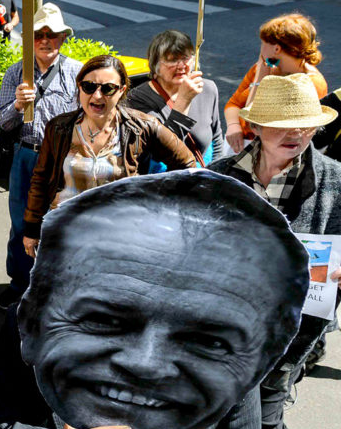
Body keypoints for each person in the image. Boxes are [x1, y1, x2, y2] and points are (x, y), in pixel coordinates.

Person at [0, 170, 303, 429]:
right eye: (104, 320)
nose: (145, 363)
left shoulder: (234, 367)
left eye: (202, 340)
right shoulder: (30, 325)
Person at [211, 73, 341, 429]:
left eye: (306, 124)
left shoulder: (336, 183)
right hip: (225, 330)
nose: (298, 133)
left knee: (266, 422)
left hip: (290, 333)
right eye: (284, 124)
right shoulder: (220, 178)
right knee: (218, 415)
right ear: (256, 126)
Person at [23, 55, 197, 260]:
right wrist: (32, 228)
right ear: (79, 86)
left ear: (122, 90)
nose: (97, 96)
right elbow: (41, 180)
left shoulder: (141, 126)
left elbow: (187, 165)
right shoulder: (59, 128)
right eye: (89, 86)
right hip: (66, 233)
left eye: (108, 89)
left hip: (118, 240)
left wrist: (154, 202)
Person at [0, 3, 83, 307]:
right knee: (21, 224)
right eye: (39, 34)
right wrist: (18, 106)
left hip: (62, 159)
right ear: (30, 39)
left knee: (60, 223)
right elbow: (2, 123)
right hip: (26, 155)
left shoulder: (76, 73)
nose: (45, 40)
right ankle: (20, 284)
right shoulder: (16, 72)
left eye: (52, 34)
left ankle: (54, 286)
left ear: (63, 38)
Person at [224, 13, 328, 153]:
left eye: (263, 43)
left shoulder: (310, 83)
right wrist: (233, 125)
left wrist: (260, 81)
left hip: (272, 154)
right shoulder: (264, 67)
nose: (261, 48)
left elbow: (254, 125)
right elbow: (234, 103)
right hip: (240, 144)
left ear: (276, 49)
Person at [126, 30, 224, 169]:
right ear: (155, 65)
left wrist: (216, 175)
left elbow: (216, 139)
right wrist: (183, 100)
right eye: (172, 60)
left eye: (185, 58)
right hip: (163, 183)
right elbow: (162, 151)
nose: (181, 65)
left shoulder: (208, 88)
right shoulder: (137, 99)